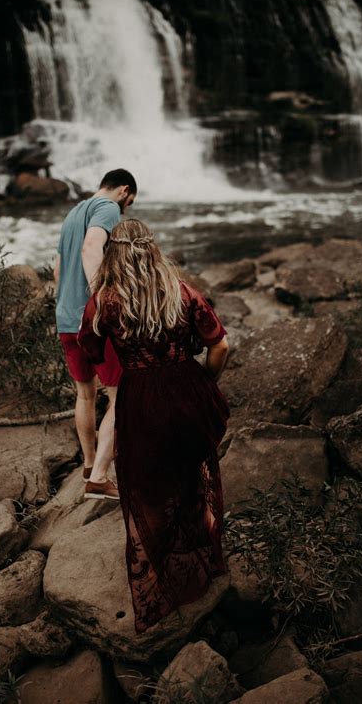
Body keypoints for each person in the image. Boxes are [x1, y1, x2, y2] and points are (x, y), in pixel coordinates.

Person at [77, 218, 230, 633]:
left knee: (148, 484)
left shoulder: (106, 301)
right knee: (190, 472)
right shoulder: (181, 292)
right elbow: (220, 343)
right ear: (153, 249)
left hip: (142, 399)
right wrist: (204, 383)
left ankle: (161, 574)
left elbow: (89, 348)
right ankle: (206, 560)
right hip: (189, 392)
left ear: (116, 254)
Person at [54, 169, 137, 500]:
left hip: (65, 317)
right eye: (129, 202)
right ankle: (100, 477)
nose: (126, 209)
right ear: (123, 191)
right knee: (121, 395)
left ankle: (89, 464)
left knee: (85, 394)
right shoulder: (108, 208)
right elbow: (92, 248)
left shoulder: (72, 213)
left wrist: (65, 306)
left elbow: (58, 268)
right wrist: (100, 298)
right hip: (92, 319)